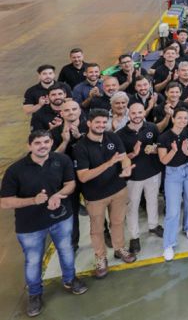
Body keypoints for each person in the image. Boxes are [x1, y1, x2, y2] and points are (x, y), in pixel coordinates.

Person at [1, 130, 87, 317]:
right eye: (38, 143)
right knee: (33, 260)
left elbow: (70, 184)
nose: (43, 146)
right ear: (29, 146)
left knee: (66, 250)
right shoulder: (15, 170)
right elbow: (5, 202)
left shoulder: (61, 161)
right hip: (30, 225)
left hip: (61, 218)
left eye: (46, 142)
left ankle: (70, 279)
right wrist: (33, 200)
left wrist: (58, 195)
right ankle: (34, 294)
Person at [72, 109, 137, 278]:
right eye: (97, 122)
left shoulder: (113, 137)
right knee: (97, 230)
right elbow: (83, 177)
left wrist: (126, 168)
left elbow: (123, 157)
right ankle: (100, 258)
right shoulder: (80, 147)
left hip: (118, 189)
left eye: (104, 122)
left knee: (117, 222)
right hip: (95, 196)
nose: (101, 125)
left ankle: (119, 249)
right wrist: (109, 164)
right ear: (89, 123)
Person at [117, 102, 162, 255]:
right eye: (134, 113)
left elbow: (159, 146)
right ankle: (134, 236)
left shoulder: (152, 128)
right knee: (132, 207)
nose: (137, 116)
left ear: (144, 112)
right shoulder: (120, 134)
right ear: (129, 114)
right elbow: (120, 158)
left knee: (152, 200)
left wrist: (154, 149)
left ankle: (153, 225)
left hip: (153, 172)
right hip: (133, 178)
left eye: (140, 113)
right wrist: (132, 155)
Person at [157, 107, 188, 261]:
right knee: (173, 210)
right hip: (173, 173)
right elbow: (164, 160)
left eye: (185, 118)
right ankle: (169, 244)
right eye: (179, 118)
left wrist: (186, 151)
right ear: (173, 119)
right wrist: (174, 151)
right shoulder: (164, 137)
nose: (183, 121)